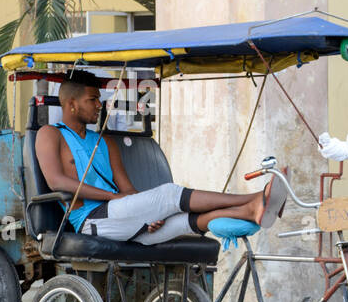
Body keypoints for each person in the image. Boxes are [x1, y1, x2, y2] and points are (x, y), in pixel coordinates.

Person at [35, 72, 287, 246]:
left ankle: (248, 210)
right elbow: (56, 181)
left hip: (123, 216)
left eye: (99, 100)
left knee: (180, 223)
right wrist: (116, 198)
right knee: (169, 194)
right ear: (71, 104)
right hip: (91, 222)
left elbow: (129, 190)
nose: (99, 105)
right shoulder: (51, 134)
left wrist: (148, 213)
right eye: (92, 100)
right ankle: (253, 199)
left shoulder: (105, 142)